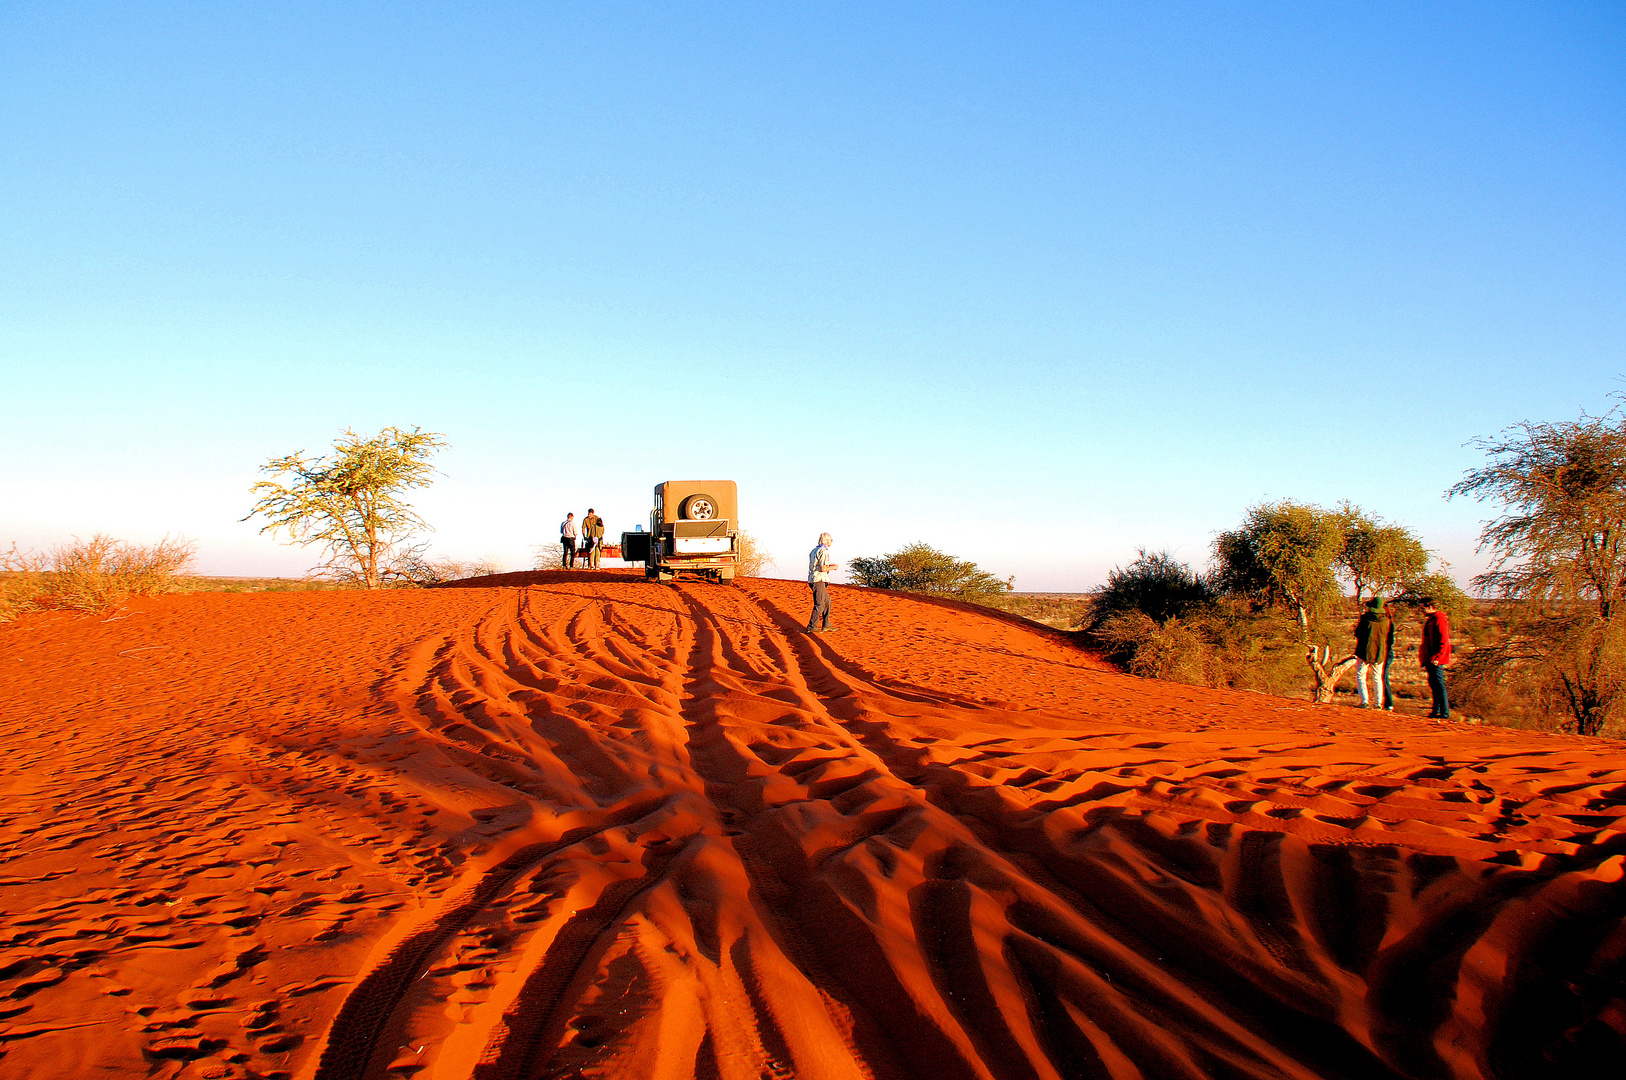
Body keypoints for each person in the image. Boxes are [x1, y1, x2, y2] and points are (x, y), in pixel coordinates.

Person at [1352, 597, 1391, 709]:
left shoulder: (1365, 619)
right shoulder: (1386, 621)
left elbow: (1357, 633)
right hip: (1380, 652)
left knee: (1361, 674)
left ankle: (1364, 701)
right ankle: (1378, 703)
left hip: (1364, 651)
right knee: (1377, 677)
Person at [1419, 597, 1452, 719]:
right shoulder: (1431, 619)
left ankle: (1444, 713)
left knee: (1439, 684)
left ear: (1430, 607)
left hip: (1436, 658)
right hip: (1430, 657)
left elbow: (1444, 640)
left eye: (1422, 608)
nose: (1421, 610)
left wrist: (1438, 656)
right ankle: (1435, 711)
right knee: (1433, 684)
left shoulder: (1439, 619)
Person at [806, 532, 836, 633]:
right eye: (831, 539)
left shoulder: (814, 550)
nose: (832, 541)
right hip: (818, 580)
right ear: (826, 540)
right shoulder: (823, 551)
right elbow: (823, 568)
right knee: (820, 604)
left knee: (827, 601)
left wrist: (828, 566)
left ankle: (826, 624)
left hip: (814, 579)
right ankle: (812, 626)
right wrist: (833, 567)